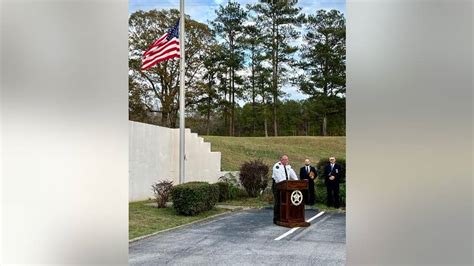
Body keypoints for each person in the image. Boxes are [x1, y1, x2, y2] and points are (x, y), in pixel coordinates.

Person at [272, 154, 298, 224]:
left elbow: (293, 175)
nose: (286, 161)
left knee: (285, 202)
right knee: (278, 202)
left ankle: (284, 217)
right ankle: (276, 219)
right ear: (281, 160)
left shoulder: (288, 167)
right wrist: (285, 185)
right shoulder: (277, 166)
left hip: (286, 186)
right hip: (278, 186)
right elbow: (279, 179)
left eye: (287, 159)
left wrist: (297, 182)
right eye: (285, 159)